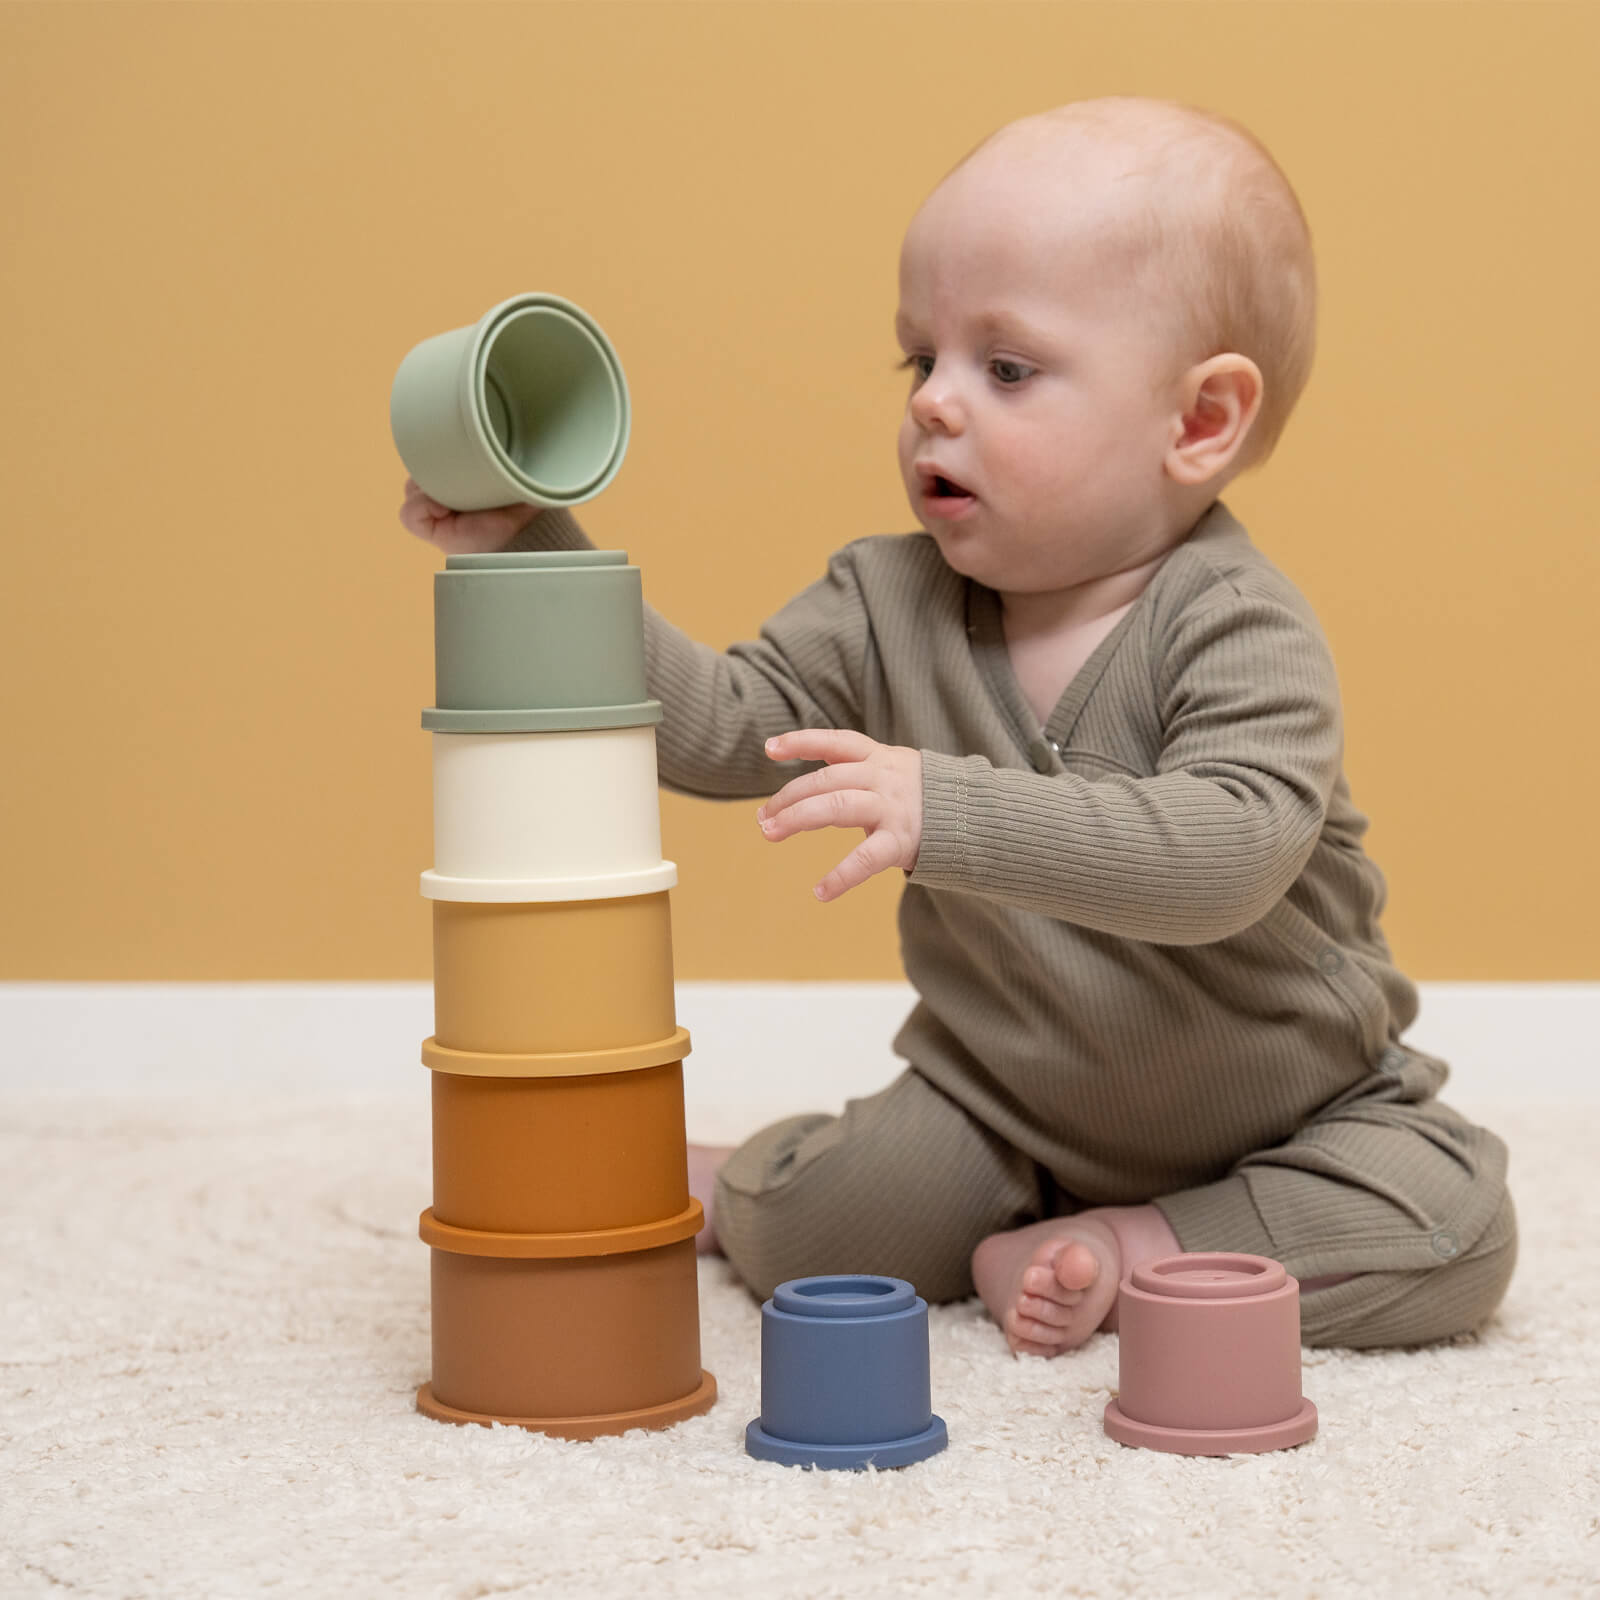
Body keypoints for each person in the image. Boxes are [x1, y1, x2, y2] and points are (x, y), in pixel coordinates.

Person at [400, 96, 1516, 1358]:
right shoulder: (885, 603)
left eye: (1007, 368)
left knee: (1456, 1227)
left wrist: (948, 807)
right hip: (1000, 1103)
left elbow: (1228, 855)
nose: (935, 402)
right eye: (917, 358)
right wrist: (536, 544)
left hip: (1297, 1110)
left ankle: (1146, 1241)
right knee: (822, 1231)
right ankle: (745, 1177)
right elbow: (720, 727)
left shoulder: (1237, 622)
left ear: (1197, 423)